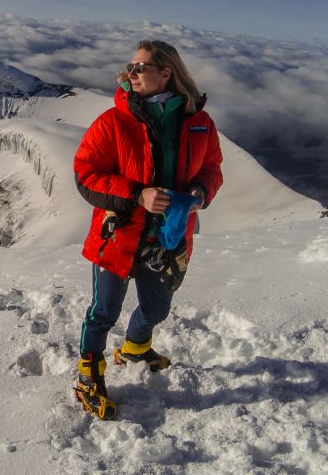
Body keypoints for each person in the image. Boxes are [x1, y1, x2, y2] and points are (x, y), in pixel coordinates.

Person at [72, 40, 223, 420]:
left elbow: (212, 168)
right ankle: (89, 372)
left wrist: (201, 191)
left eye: (141, 67)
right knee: (103, 311)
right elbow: (86, 176)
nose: (132, 72)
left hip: (169, 236)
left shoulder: (200, 123)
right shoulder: (113, 121)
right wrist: (138, 195)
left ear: (166, 73)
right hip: (119, 234)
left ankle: (137, 346)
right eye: (132, 66)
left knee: (157, 306)